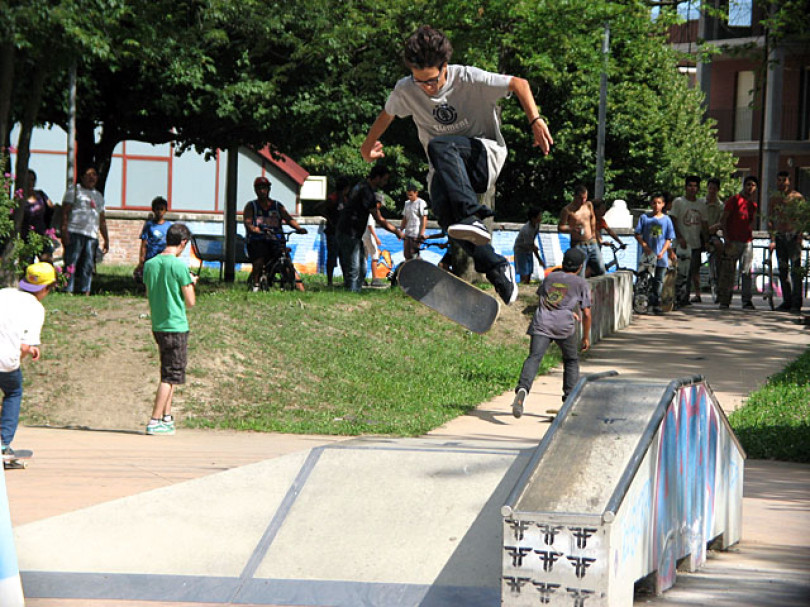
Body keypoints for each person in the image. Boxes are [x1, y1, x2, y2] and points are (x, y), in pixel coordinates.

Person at [360, 25, 553, 305]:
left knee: (441, 145)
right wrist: (366, 147)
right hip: (445, 171)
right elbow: (386, 115)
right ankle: (497, 268)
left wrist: (535, 120)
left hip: (483, 157)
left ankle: (471, 215)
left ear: (445, 67)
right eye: (420, 82)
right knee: (449, 220)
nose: (427, 88)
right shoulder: (406, 89)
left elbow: (518, 83)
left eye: (432, 80)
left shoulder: (469, 78)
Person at [511, 247, 591, 418]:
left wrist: (566, 310)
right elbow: (587, 313)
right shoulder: (581, 283)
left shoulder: (550, 277)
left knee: (534, 358)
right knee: (571, 360)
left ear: (563, 262)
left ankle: (523, 389)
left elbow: (550, 299)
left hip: (542, 323)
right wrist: (585, 337)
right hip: (564, 326)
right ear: (580, 267)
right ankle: (568, 400)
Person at [142, 223, 198, 436]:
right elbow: (190, 301)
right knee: (170, 376)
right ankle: (155, 420)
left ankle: (167, 417)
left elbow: (150, 292)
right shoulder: (179, 266)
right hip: (176, 326)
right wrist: (191, 282)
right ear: (183, 242)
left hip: (159, 324)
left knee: (169, 372)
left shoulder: (150, 264)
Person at [0, 262, 56, 461]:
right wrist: (25, 353)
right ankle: (3, 444)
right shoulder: (36, 308)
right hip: (5, 360)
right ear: (45, 288)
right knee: (13, 392)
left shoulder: (4, 293)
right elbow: (24, 347)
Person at [336, 165, 403, 292]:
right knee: (354, 268)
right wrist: (396, 231)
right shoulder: (367, 192)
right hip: (349, 232)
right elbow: (379, 219)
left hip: (353, 233)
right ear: (377, 177)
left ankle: (355, 291)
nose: (385, 182)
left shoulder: (360, 185)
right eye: (384, 179)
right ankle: (351, 293)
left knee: (362, 268)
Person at [243, 176, 308, 292]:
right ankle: (256, 285)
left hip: (275, 240)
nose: (262, 191)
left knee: (286, 259)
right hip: (258, 241)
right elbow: (248, 223)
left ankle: (300, 288)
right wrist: (256, 230)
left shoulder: (277, 206)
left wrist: (299, 228)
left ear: (269, 189)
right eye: (259, 188)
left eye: (264, 188)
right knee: (259, 260)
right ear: (255, 190)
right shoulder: (251, 206)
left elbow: (288, 219)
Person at [60, 165, 110, 295]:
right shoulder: (74, 191)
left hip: (91, 235)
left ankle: (85, 289)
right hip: (74, 232)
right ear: (82, 177)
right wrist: (64, 230)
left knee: (88, 264)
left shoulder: (98, 196)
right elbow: (65, 212)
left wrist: (106, 239)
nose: (91, 177)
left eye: (94, 175)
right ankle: (67, 289)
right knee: (71, 262)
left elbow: (102, 219)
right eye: (88, 175)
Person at [717, 176, 758, 311]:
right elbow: (724, 219)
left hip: (747, 242)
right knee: (728, 272)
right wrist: (726, 238)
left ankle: (746, 300)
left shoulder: (752, 205)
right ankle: (725, 300)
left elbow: (750, 222)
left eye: (753, 185)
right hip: (732, 241)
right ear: (744, 185)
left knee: (746, 271)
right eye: (748, 184)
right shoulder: (734, 200)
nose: (750, 188)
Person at [768, 171, 805, 313]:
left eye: (784, 180)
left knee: (796, 270)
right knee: (783, 271)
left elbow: (803, 218)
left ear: (789, 181)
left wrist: (800, 235)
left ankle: (796, 302)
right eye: (779, 180)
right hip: (780, 236)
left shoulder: (797, 197)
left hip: (793, 236)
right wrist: (772, 239)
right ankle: (787, 301)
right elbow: (770, 219)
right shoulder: (774, 198)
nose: (782, 183)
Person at [634, 194, 675, 315]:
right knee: (644, 280)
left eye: (659, 203)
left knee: (658, 281)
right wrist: (645, 246)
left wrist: (663, 252)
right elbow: (637, 234)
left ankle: (656, 303)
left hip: (661, 257)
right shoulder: (645, 218)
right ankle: (641, 303)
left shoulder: (667, 220)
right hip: (647, 256)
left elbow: (669, 238)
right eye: (654, 203)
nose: (656, 205)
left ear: (663, 205)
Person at [670, 176, 708, 306]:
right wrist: (679, 237)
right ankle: (676, 298)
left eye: (695, 186)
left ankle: (685, 298)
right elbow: (673, 220)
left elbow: (704, 223)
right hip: (681, 244)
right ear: (685, 187)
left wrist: (706, 241)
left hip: (695, 243)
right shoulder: (678, 202)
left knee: (692, 271)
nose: (692, 188)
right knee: (679, 272)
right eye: (690, 186)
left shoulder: (701, 204)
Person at [558, 184, 605, 278]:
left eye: (585, 198)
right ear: (575, 196)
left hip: (591, 242)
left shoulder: (588, 205)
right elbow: (560, 227)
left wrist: (593, 234)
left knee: (600, 268)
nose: (583, 200)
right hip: (578, 244)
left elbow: (593, 218)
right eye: (581, 198)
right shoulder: (567, 210)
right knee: (580, 273)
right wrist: (572, 229)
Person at [134, 196, 172, 284]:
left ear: (166, 210)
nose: (159, 212)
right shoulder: (149, 225)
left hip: (164, 257)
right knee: (151, 278)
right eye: (157, 209)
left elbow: (171, 243)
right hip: (151, 256)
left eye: (162, 209)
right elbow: (144, 242)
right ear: (153, 210)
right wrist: (142, 258)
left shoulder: (168, 226)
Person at [20, 170, 56, 263]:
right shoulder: (19, 198)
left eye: (32, 180)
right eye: (27, 180)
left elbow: (52, 208)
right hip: (26, 238)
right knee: (26, 264)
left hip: (42, 235)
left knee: (47, 262)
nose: (30, 182)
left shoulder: (41, 195)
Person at [324, 176, 350, 287]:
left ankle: (346, 280)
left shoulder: (345, 200)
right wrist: (330, 220)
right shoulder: (333, 198)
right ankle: (330, 281)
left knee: (344, 257)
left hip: (342, 232)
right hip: (332, 232)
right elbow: (319, 208)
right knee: (332, 257)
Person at [513, 207, 544, 284]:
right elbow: (530, 244)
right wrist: (539, 259)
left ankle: (527, 284)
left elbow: (532, 240)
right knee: (524, 272)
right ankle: (523, 285)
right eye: (539, 216)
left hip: (528, 249)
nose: (541, 218)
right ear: (533, 218)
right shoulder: (527, 230)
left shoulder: (537, 225)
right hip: (521, 250)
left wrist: (533, 245)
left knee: (529, 271)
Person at [400, 182, 428, 260]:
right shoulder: (406, 203)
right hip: (408, 232)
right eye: (408, 195)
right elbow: (405, 218)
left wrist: (421, 233)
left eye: (411, 195)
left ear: (416, 193)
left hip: (416, 232)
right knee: (406, 254)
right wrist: (401, 230)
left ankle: (418, 264)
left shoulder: (421, 203)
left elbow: (424, 218)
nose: (409, 197)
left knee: (414, 253)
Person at [362, 199, 386, 287]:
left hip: (363, 236)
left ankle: (361, 278)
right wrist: (376, 238)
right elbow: (370, 226)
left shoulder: (365, 211)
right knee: (375, 256)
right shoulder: (371, 213)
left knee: (364, 257)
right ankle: (375, 278)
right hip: (369, 236)